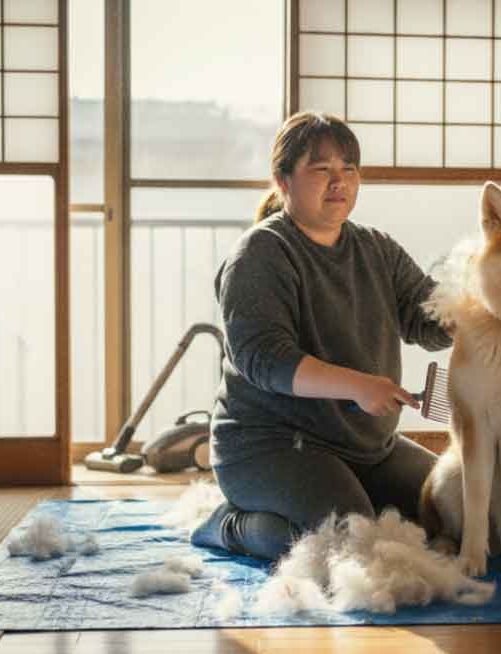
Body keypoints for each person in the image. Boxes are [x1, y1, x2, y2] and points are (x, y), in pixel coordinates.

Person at [191, 111, 453, 561]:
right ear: (283, 180)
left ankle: (346, 495)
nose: (339, 182)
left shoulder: (377, 248)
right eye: (322, 169)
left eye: (349, 169)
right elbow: (265, 358)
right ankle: (228, 526)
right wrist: (359, 386)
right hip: (268, 446)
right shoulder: (260, 253)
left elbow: (426, 319)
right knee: (345, 544)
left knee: (454, 507)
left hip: (368, 447)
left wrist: (475, 310)